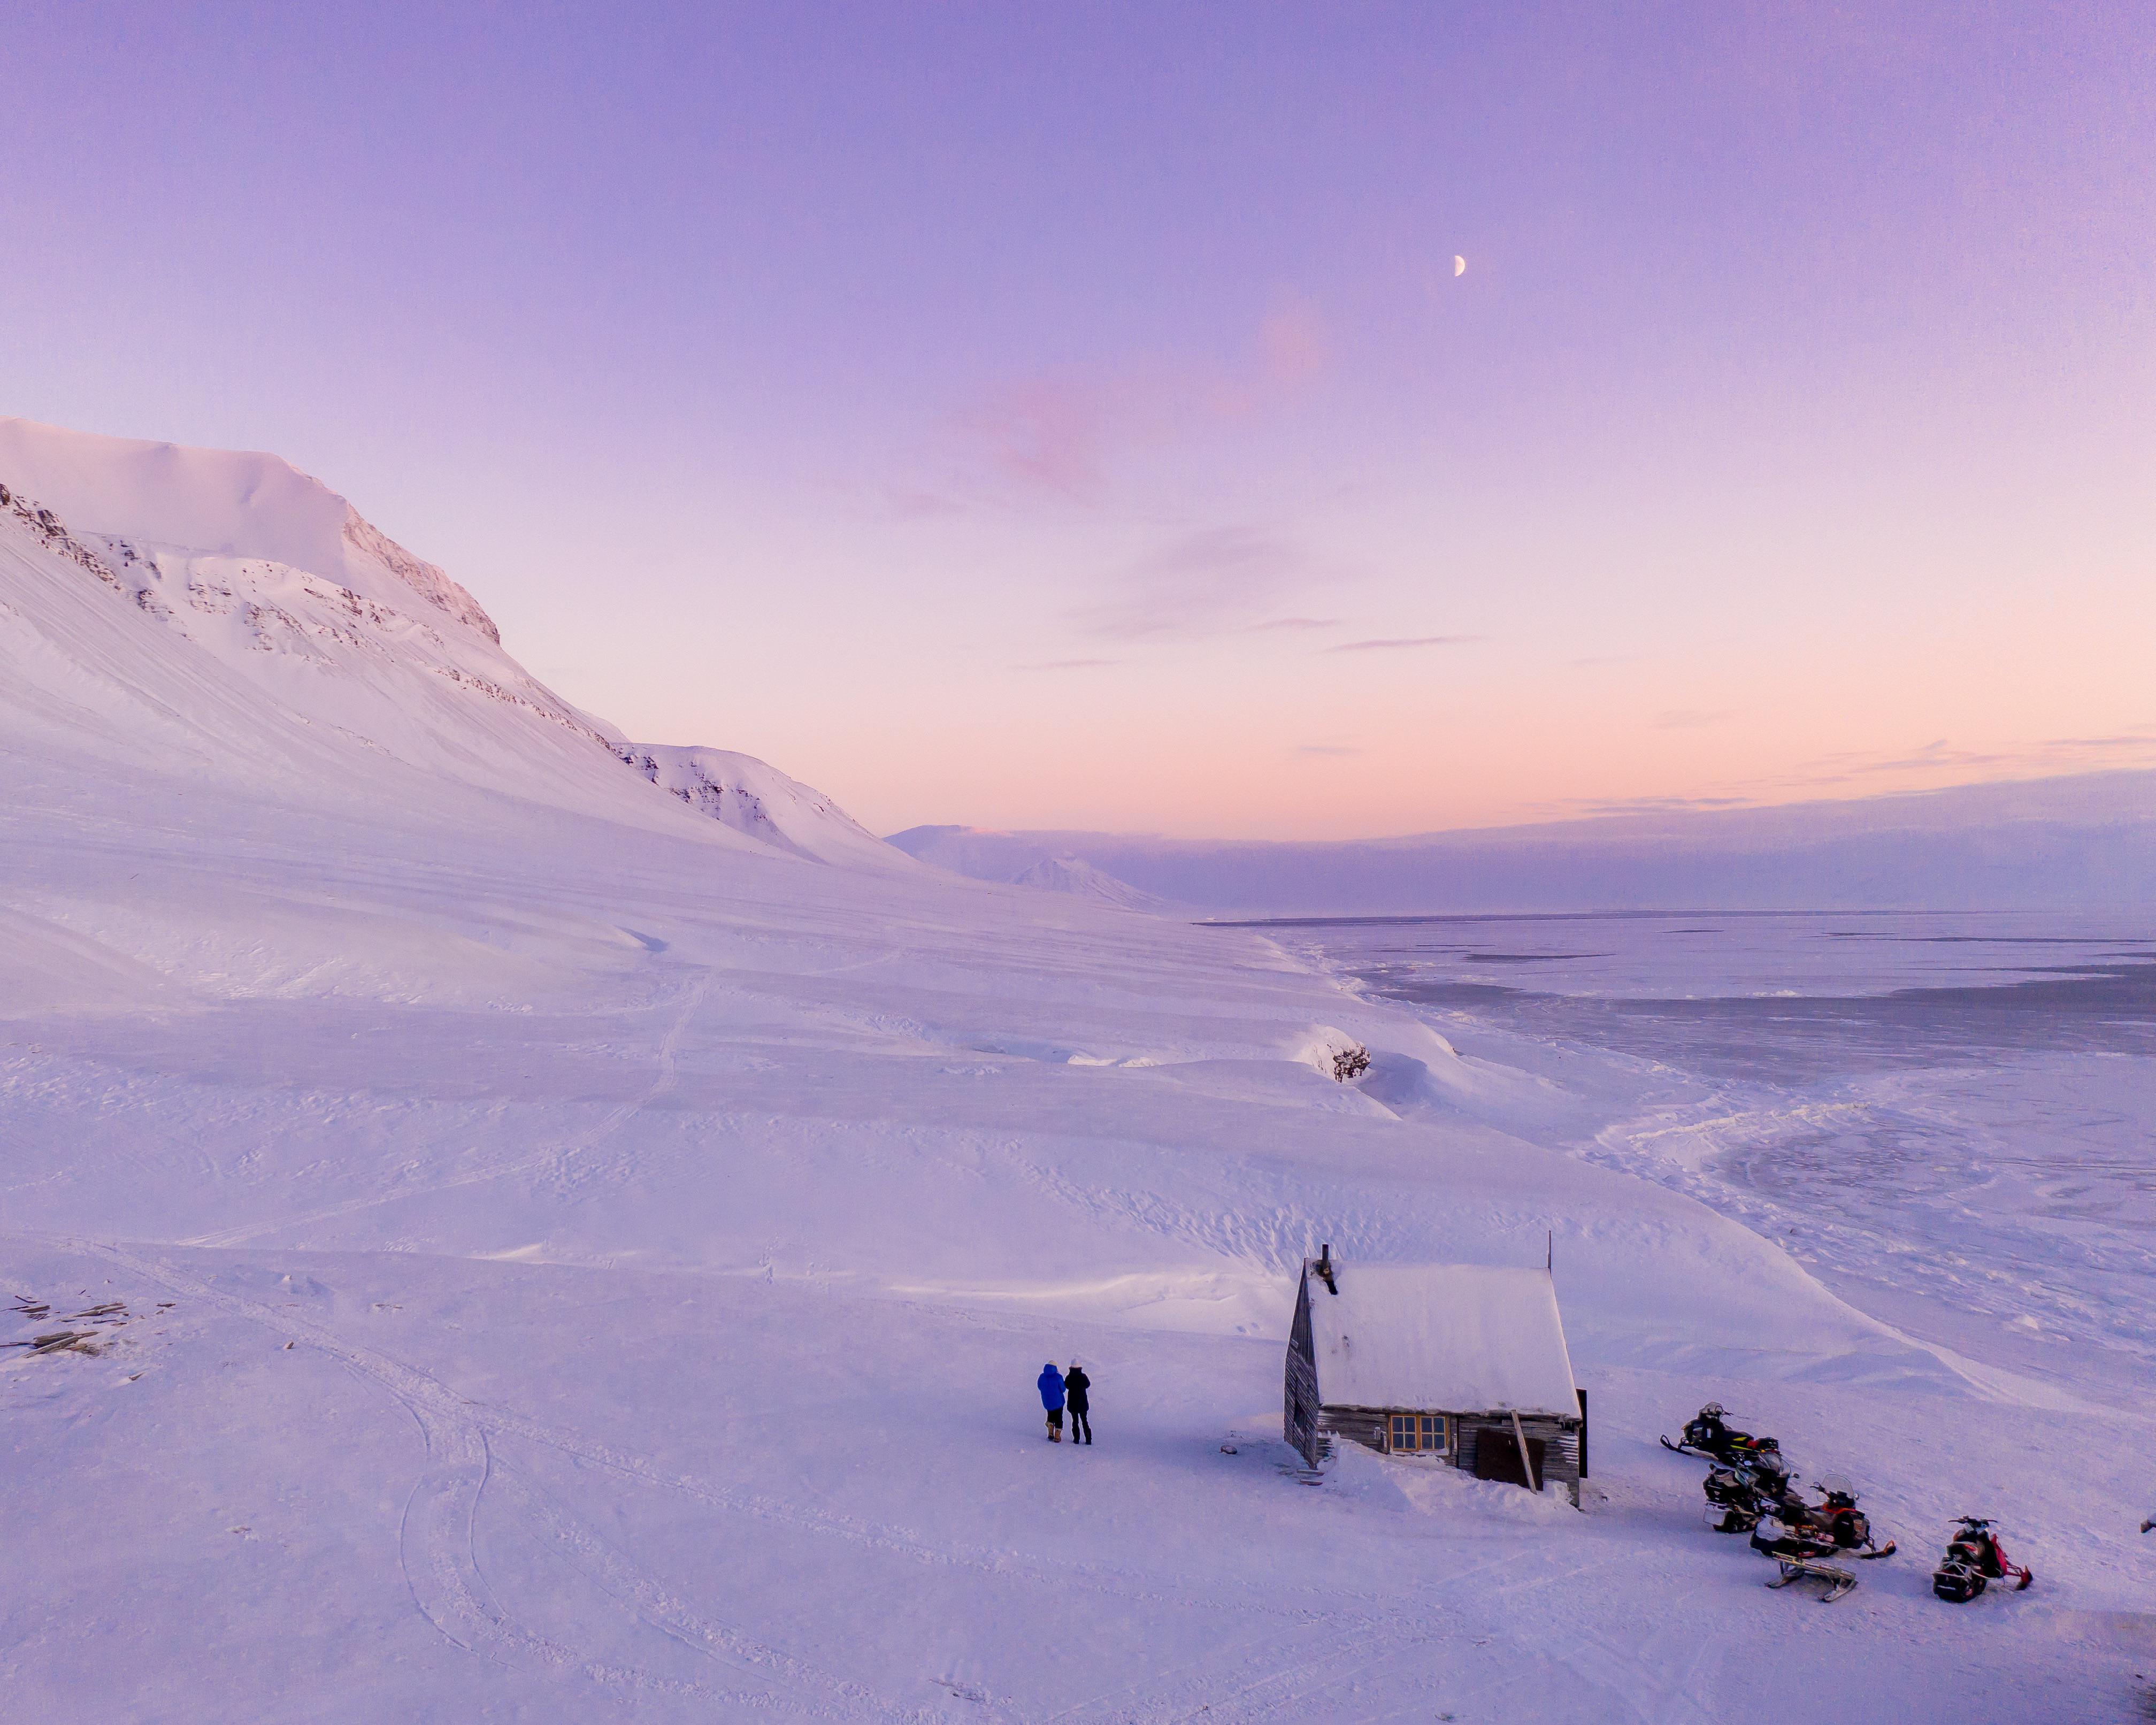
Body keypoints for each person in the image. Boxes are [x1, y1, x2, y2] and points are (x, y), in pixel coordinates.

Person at [1063, 1360, 1092, 1445]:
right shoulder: (1083, 1377)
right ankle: (1088, 1439)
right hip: (1083, 1403)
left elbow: (1066, 1386)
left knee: (1075, 1421)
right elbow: (1088, 1385)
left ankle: (1076, 1439)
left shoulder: (1069, 1377)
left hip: (1073, 1403)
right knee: (1085, 1421)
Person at [1037, 1361, 1065, 1442]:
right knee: (1059, 1417)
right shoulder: (1058, 1377)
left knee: (1050, 1415)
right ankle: (1057, 1436)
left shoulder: (1042, 1377)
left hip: (1047, 1401)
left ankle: (1050, 1432)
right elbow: (1063, 1389)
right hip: (1058, 1402)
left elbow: (1039, 1386)